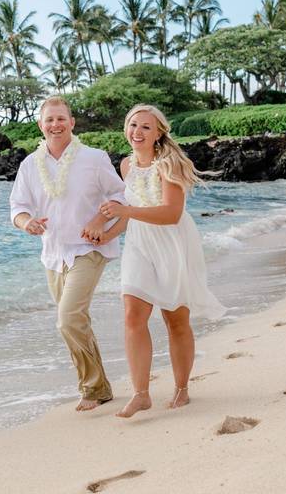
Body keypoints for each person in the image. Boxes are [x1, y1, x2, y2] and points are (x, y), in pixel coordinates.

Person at [96, 104, 225, 418]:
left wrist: (126, 212)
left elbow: (171, 213)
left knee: (175, 320)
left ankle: (182, 387)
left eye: (145, 127)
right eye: (132, 125)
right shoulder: (126, 165)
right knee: (132, 316)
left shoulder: (169, 164)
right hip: (140, 243)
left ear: (158, 134)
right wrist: (109, 233)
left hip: (172, 242)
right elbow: (133, 210)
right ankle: (141, 393)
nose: (137, 132)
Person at [9, 96, 126, 411]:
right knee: (77, 320)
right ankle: (100, 387)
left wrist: (100, 219)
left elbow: (120, 195)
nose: (55, 125)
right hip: (53, 254)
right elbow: (18, 207)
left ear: (72, 123)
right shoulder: (29, 165)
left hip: (89, 248)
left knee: (67, 319)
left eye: (61, 119)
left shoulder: (94, 158)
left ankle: (90, 388)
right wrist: (26, 223)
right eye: (49, 120)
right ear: (40, 124)